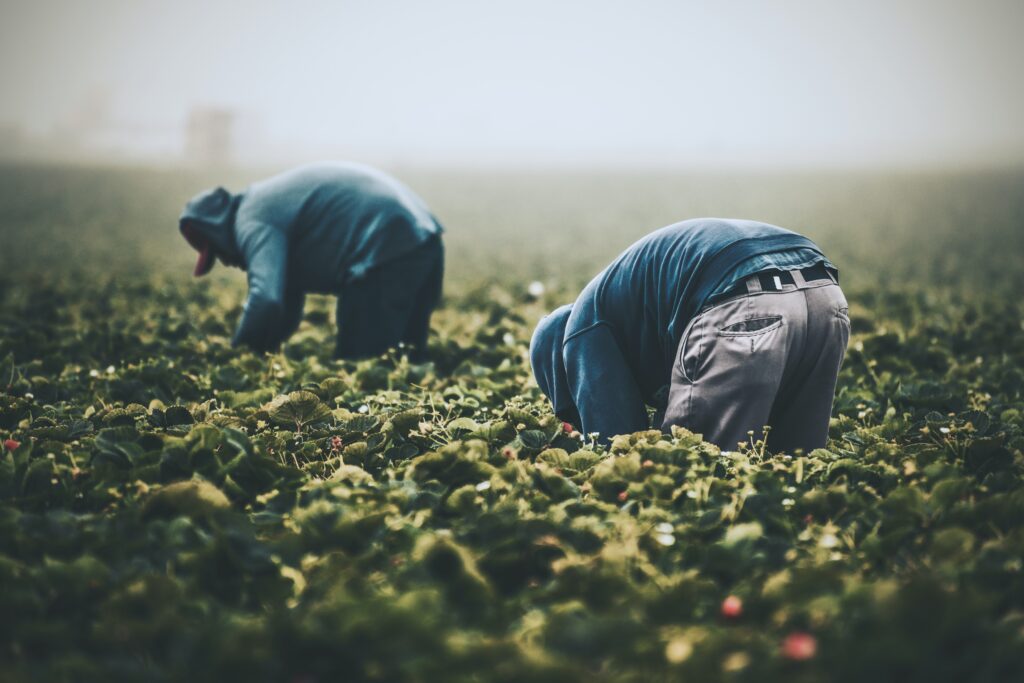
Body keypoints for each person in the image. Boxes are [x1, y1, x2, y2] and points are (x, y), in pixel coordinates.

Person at [530, 218, 850, 452]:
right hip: (824, 296)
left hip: (740, 304)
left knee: (692, 466)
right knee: (796, 460)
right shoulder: (621, 306)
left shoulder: (582, 329)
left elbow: (620, 442)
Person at [178, 161, 444, 360]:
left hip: (387, 250)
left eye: (218, 253)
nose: (225, 262)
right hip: (425, 239)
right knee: (407, 358)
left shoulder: (251, 219)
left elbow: (266, 298)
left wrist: (236, 355)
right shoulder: (265, 202)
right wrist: (263, 351)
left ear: (218, 231)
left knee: (360, 364)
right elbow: (286, 302)